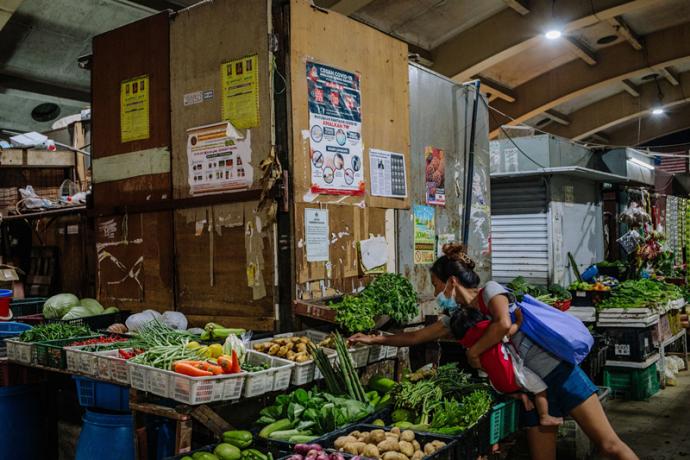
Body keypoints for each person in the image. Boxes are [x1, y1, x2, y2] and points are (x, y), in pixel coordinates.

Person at [349, 243, 638, 460]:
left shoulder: (491, 291)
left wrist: (475, 351)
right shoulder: (457, 318)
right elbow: (415, 337)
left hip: (559, 373)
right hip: (531, 390)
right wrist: (374, 340)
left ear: (451, 282)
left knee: (608, 445)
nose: (436, 293)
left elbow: (501, 324)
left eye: (436, 285)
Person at [450, 306, 563, 427]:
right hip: (514, 375)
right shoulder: (492, 336)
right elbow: (511, 329)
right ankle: (544, 416)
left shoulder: (470, 349)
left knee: (502, 389)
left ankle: (521, 396)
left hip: (498, 385)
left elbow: (481, 369)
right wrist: (519, 320)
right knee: (540, 389)